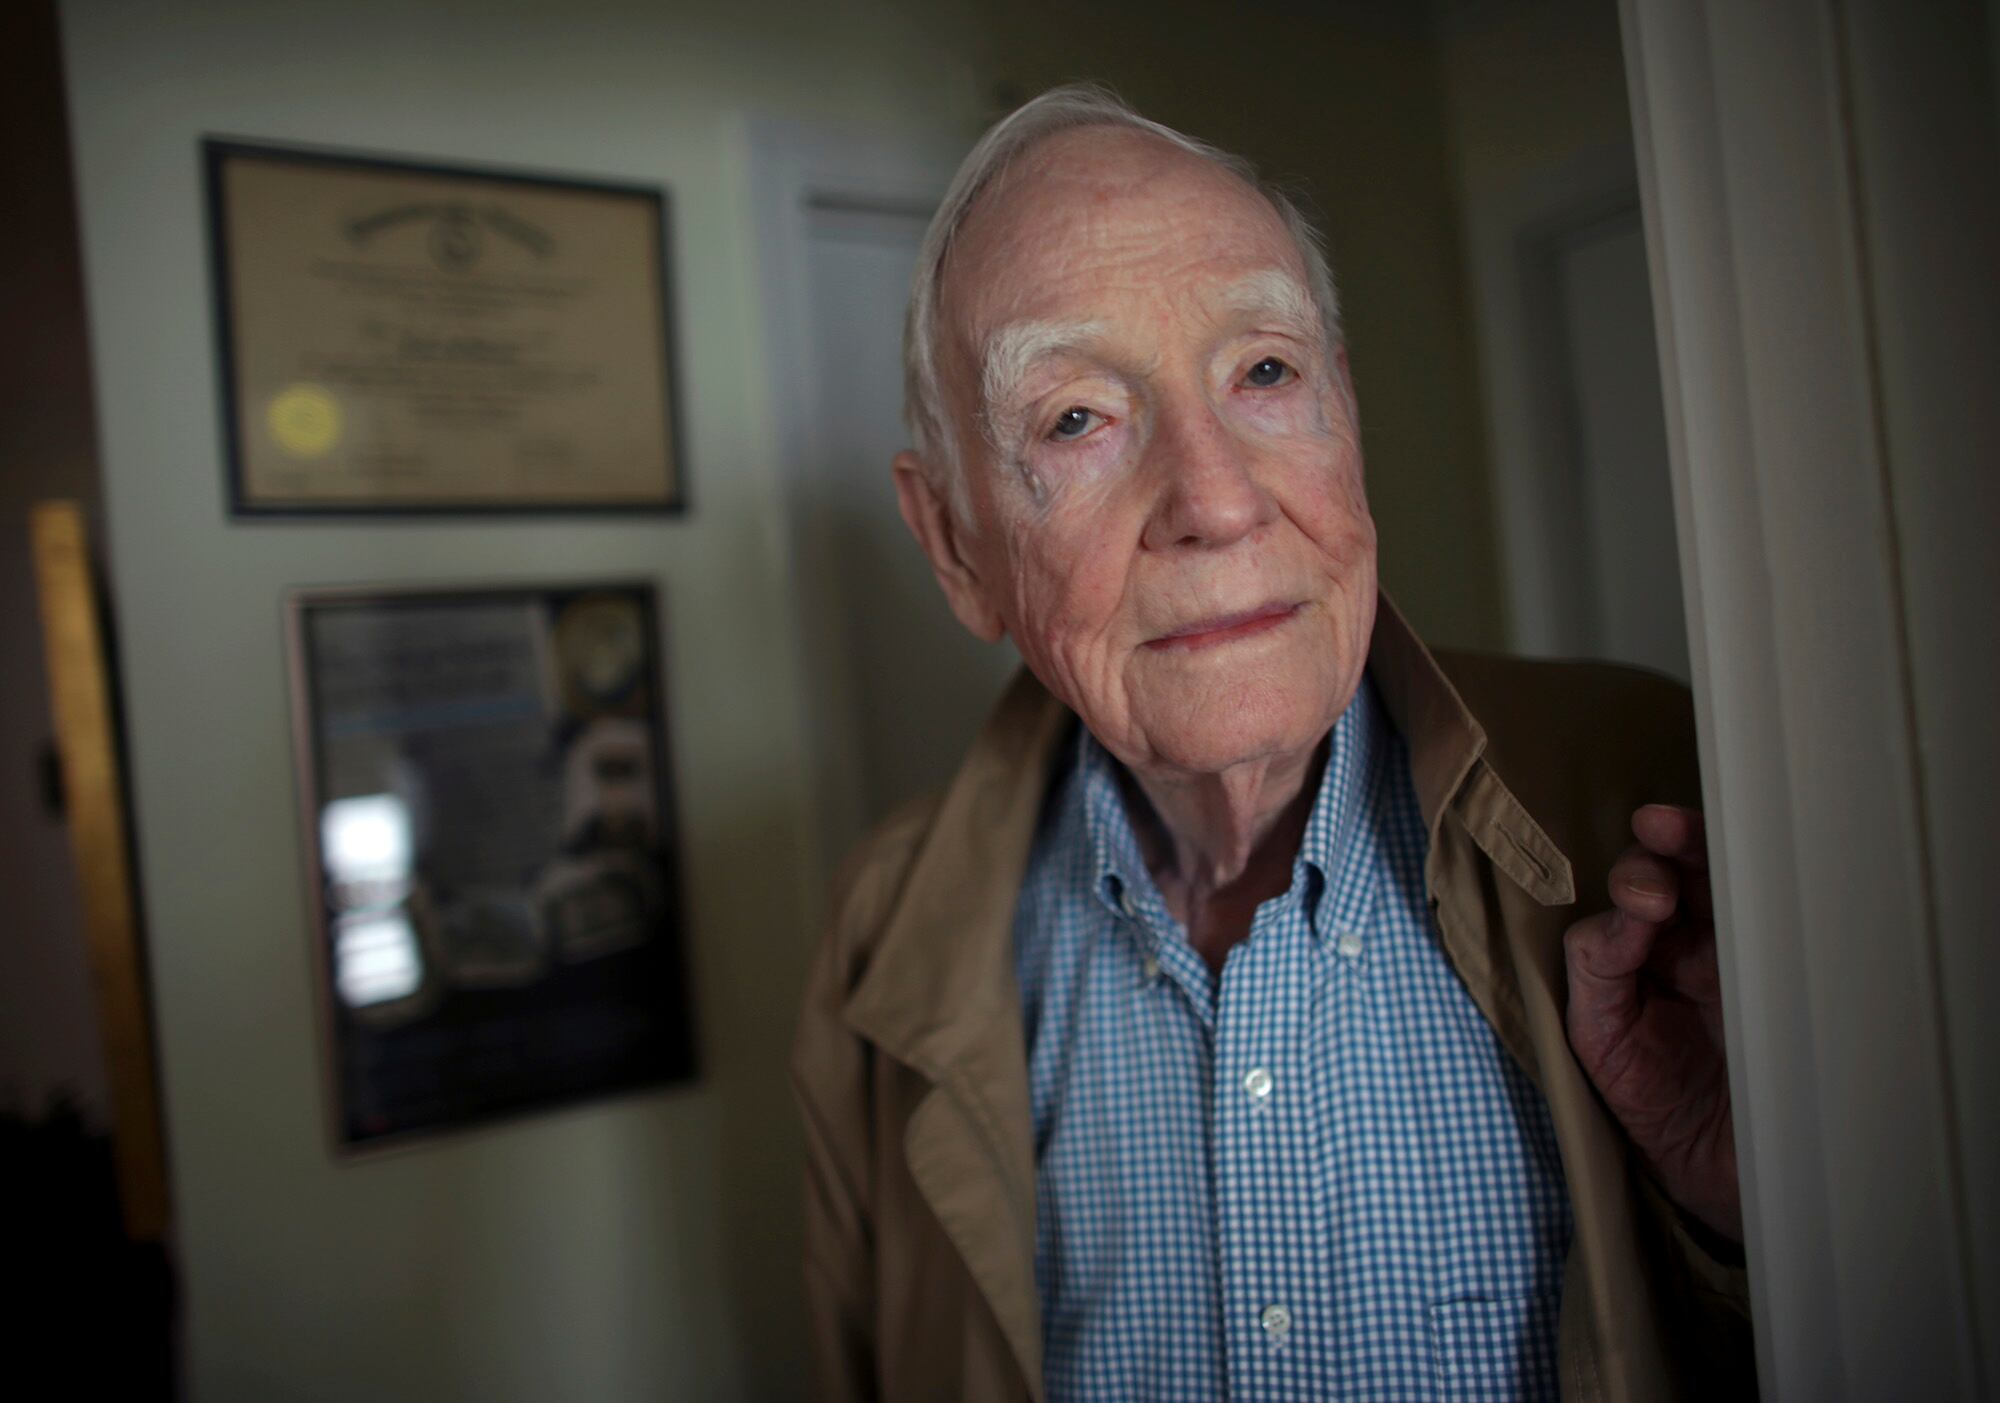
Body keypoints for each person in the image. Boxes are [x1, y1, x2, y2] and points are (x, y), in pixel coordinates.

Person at [792, 85, 1752, 1403]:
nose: (1218, 497)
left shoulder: (1663, 786)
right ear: (958, 547)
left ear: (1343, 410)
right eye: (1076, 417)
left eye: (1264, 373)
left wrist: (1744, 1224)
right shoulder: (878, 932)